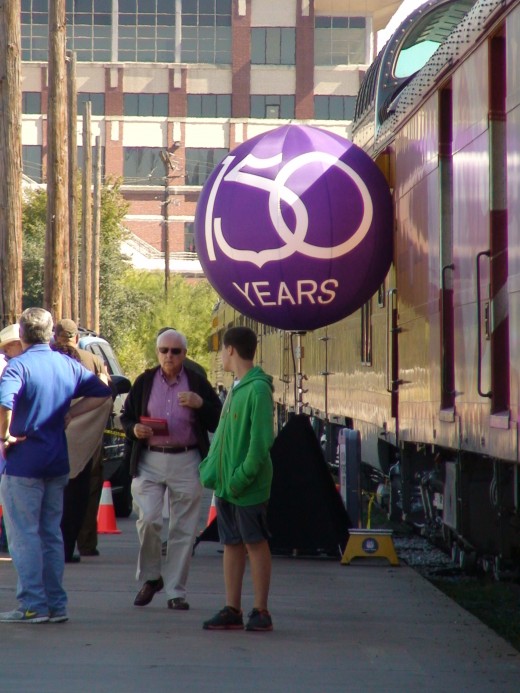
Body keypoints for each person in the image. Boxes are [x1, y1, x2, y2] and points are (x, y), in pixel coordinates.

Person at [0, 308, 111, 624]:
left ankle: (33, 603)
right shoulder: (66, 364)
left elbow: (5, 402)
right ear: (50, 334)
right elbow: (103, 392)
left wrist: (5, 434)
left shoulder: (17, 367)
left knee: (23, 536)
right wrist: (73, 414)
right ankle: (55, 604)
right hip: (57, 461)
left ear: (21, 334)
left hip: (23, 463)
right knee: (51, 533)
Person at [120, 329, 221, 611]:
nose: (169, 356)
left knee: (183, 529)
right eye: (164, 350)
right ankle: (152, 577)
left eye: (175, 352)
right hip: (149, 459)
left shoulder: (197, 383)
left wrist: (201, 405)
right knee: (149, 520)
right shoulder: (145, 382)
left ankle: (176, 590)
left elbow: (218, 419)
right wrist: (134, 429)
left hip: (186, 459)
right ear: (157, 352)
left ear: (184, 355)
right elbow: (126, 416)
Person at [199, 326, 275, 632]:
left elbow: (260, 444)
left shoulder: (257, 389)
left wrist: (240, 478)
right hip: (228, 486)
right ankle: (233, 607)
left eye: (222, 350)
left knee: (255, 543)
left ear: (231, 350)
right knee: (231, 543)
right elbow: (223, 438)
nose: (221, 356)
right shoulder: (237, 386)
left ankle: (261, 610)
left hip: (247, 486)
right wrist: (215, 472)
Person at [54, 319, 110, 560]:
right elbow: (105, 394)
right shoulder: (93, 361)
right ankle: (83, 544)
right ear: (76, 338)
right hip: (83, 442)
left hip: (43, 442)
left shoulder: (36, 362)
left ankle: (47, 548)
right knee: (84, 492)